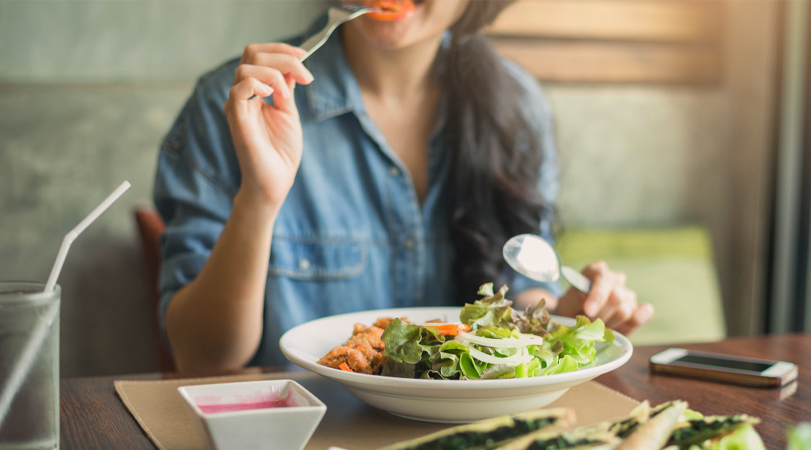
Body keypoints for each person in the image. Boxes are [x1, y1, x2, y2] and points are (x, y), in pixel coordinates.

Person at [154, 0, 654, 372]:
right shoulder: (239, 103)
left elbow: (518, 297)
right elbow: (201, 358)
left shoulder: (516, 106)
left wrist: (566, 318)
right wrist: (258, 201)